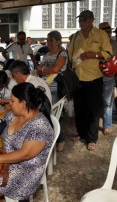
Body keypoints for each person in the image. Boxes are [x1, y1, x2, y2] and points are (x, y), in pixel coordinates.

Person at [0, 82, 54, 201]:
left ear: (23, 103)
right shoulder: (14, 116)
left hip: (27, 170)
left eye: (12, 100)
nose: (10, 103)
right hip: (7, 162)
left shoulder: (40, 127)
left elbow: (24, 154)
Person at [68, 10, 112, 150]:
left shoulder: (101, 34)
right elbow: (71, 57)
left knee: (93, 110)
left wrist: (94, 54)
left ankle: (92, 138)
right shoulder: (75, 36)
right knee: (79, 109)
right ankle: (81, 134)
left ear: (92, 20)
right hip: (78, 78)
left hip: (94, 79)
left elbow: (109, 54)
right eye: (80, 19)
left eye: (84, 19)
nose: (81, 22)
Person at [36, 30, 67, 152]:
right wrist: (42, 69)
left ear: (58, 41)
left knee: (54, 115)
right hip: (44, 87)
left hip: (55, 89)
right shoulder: (47, 53)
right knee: (44, 114)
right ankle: (49, 139)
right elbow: (40, 69)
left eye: (51, 40)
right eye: (47, 40)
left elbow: (56, 69)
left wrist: (43, 69)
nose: (48, 42)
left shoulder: (62, 53)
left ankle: (60, 139)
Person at [99, 22, 117, 135]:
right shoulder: (96, 44)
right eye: (105, 31)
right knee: (96, 101)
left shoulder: (115, 44)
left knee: (107, 102)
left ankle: (107, 124)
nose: (108, 33)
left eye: (109, 31)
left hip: (109, 77)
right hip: (95, 77)